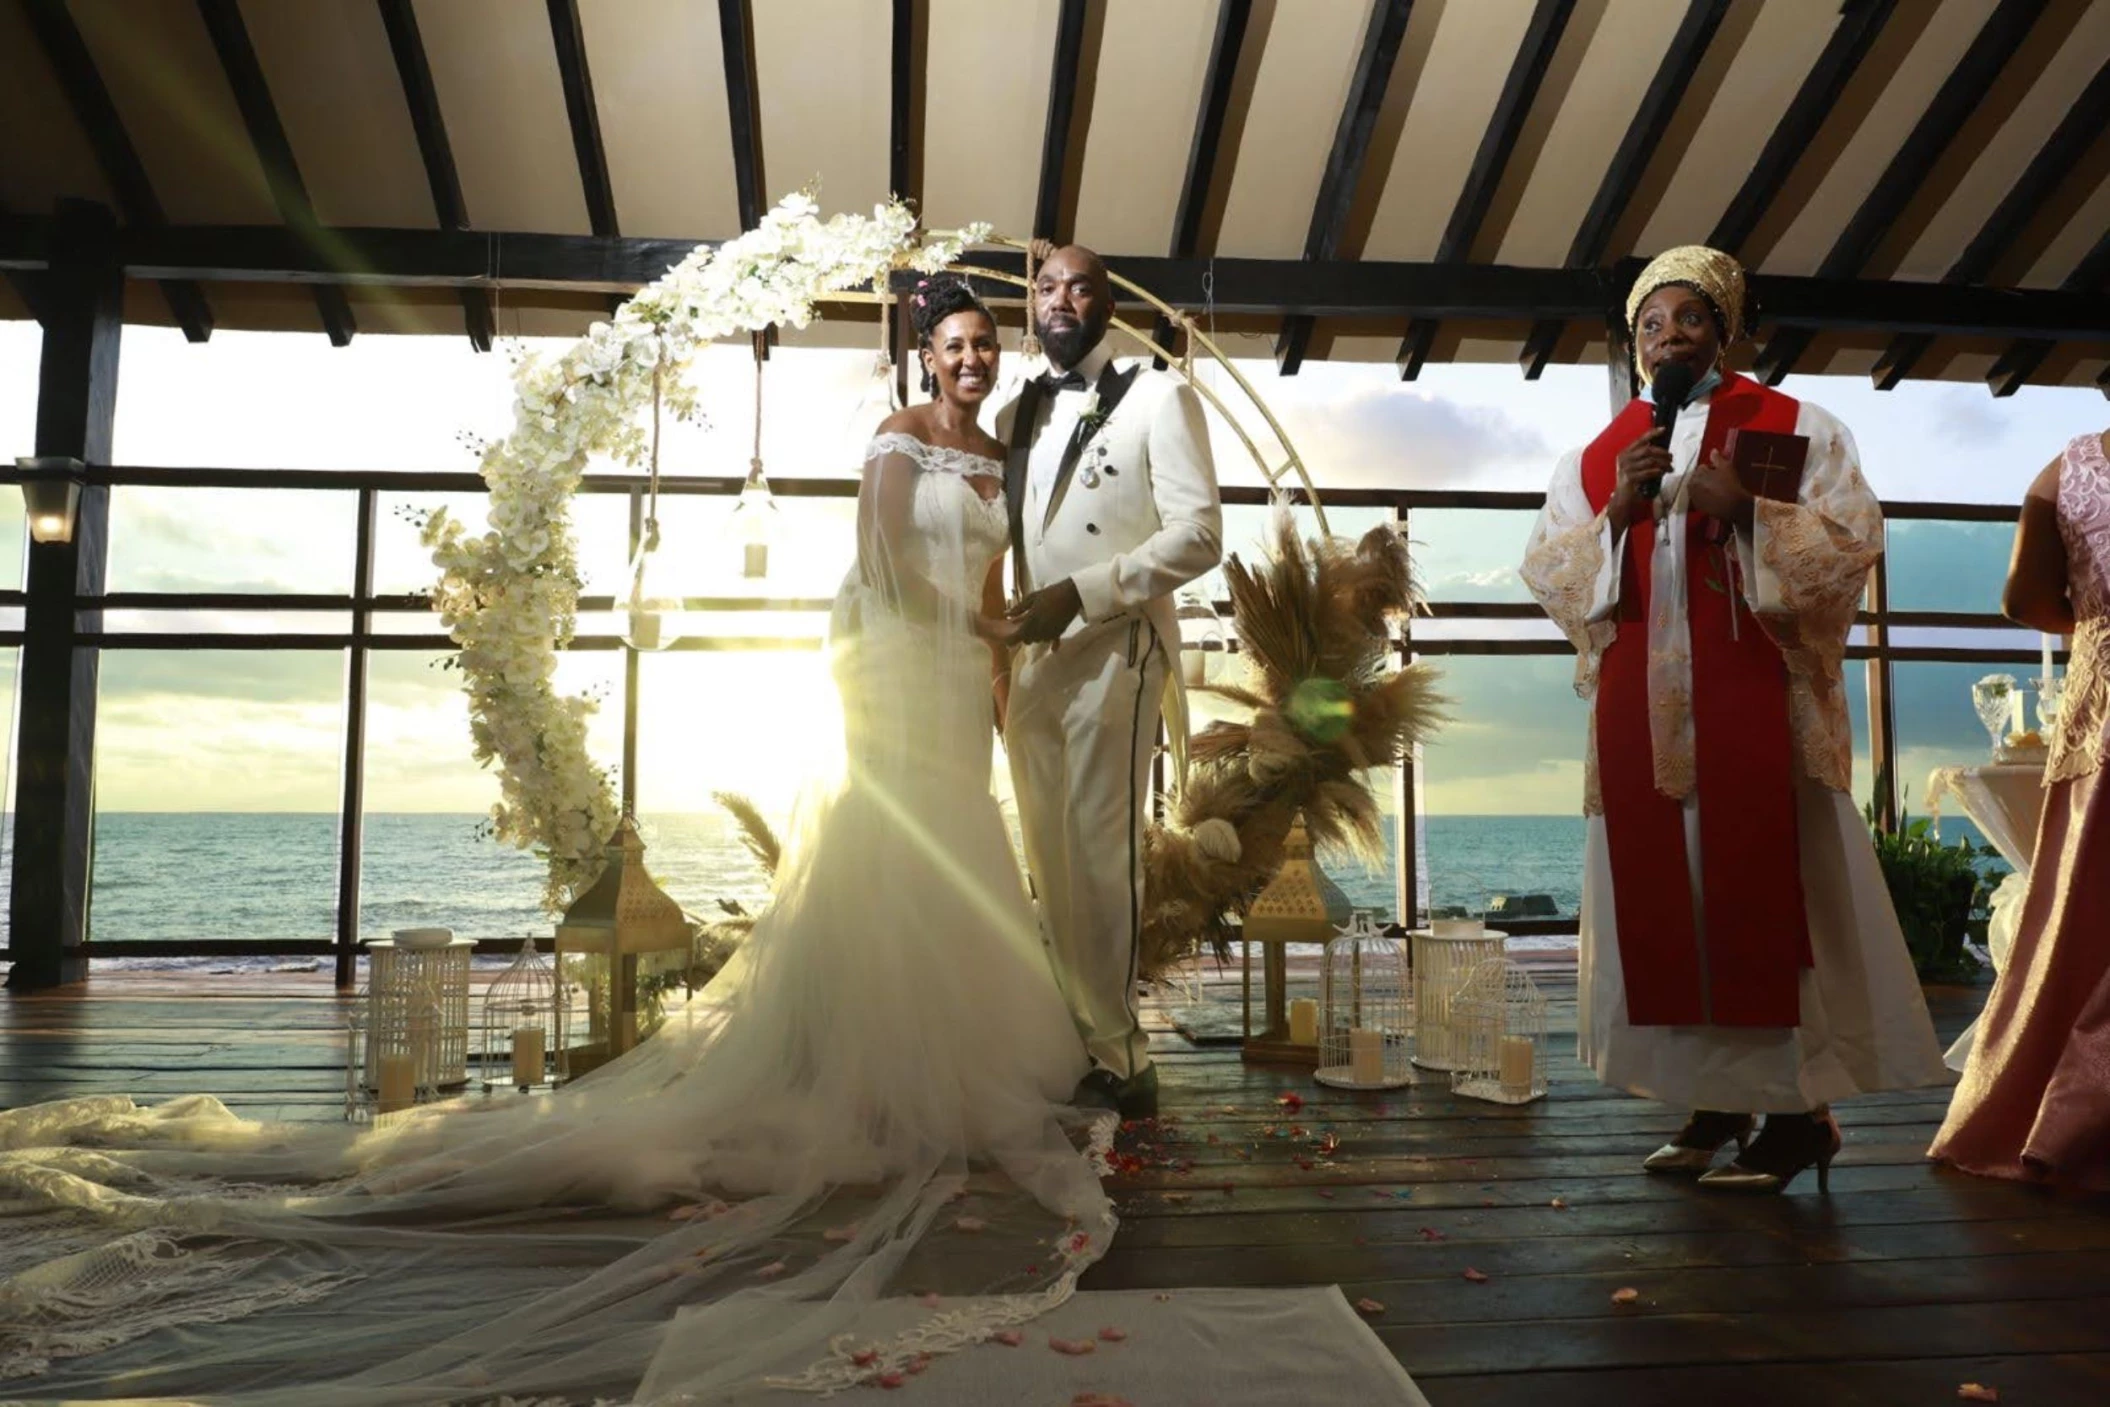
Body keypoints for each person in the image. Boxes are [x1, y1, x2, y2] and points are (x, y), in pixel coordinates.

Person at [0, 277, 1111, 1403]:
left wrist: (998, 662)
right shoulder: (897, 441)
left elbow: (991, 575)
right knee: (889, 856)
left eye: (985, 346)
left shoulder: (994, 456)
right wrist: (971, 624)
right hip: (892, 673)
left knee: (956, 854)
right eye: (955, 346)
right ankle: (874, 1075)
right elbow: (882, 566)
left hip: (960, 677)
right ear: (925, 355)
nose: (971, 361)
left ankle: (943, 1068)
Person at [1520, 245, 1948, 1195]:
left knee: (1763, 902)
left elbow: (1848, 547)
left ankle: (1799, 1118)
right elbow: (1551, 574)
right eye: (1649, 324)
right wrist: (1617, 513)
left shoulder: (1796, 425)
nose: (1668, 336)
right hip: (1648, 721)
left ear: (1729, 327)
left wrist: (1749, 510)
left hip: (1762, 716)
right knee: (1680, 907)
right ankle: (1711, 1105)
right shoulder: (1600, 455)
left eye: (1689, 318)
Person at [994, 243, 1223, 1120]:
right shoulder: (1019, 413)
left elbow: (1200, 535)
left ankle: (1125, 1056)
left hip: (1116, 648)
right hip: (1032, 660)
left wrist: (1085, 593)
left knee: (1098, 857)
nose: (1062, 300)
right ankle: (1071, 1038)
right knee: (1048, 861)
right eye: (1046, 287)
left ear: (1106, 304)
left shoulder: (1165, 396)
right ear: (1033, 305)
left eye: (1079, 286)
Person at [1930, 429, 2110, 1189]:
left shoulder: (2070, 465)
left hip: (2101, 703)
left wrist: (2095, 621)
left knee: (2081, 915)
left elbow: (2021, 597)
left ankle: (2050, 1111)